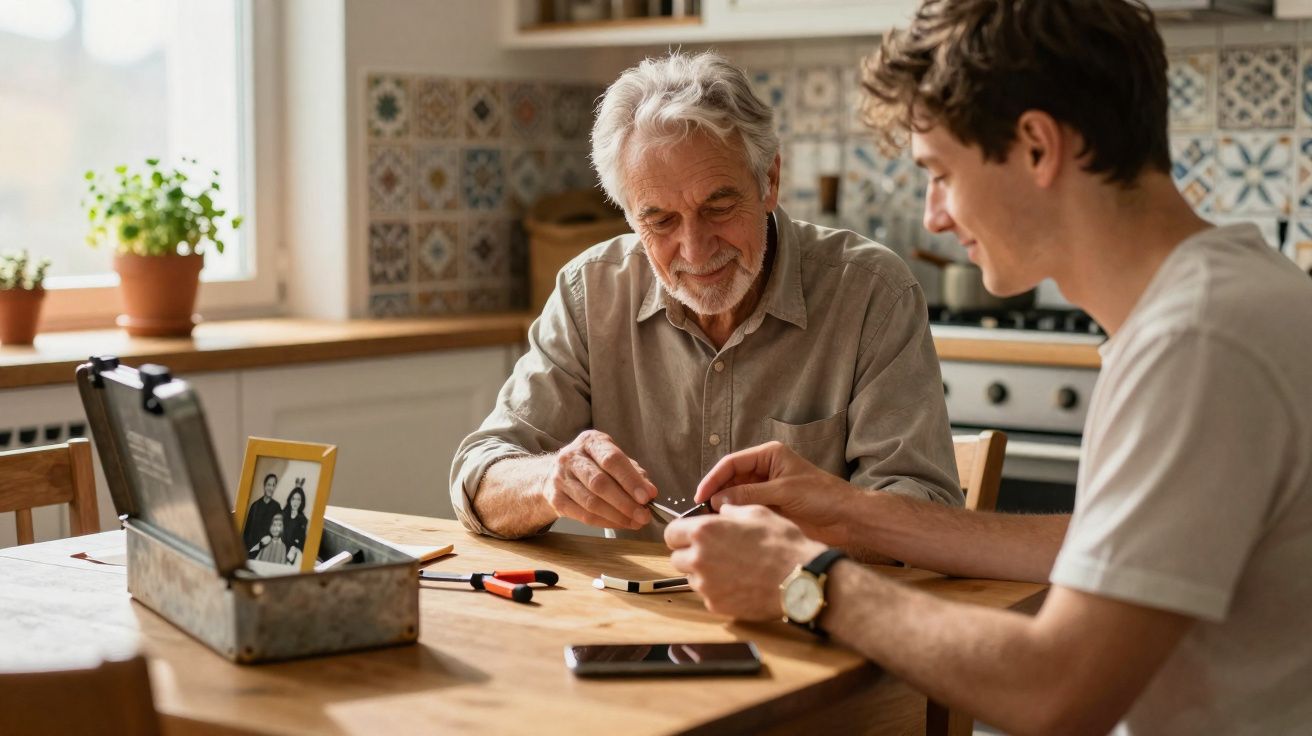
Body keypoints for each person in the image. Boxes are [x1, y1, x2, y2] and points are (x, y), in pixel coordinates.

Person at [665, 2, 1312, 734]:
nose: (934, 216)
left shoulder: (1197, 343)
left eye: (941, 173)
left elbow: (1057, 691)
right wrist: (848, 511)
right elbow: (1102, 549)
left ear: (1037, 147)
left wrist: (805, 579)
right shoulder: (1236, 294)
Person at [450, 50, 961, 543]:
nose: (695, 250)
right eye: (660, 220)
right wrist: (549, 481)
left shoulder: (872, 293)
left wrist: (807, 528)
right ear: (630, 217)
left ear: (769, 181)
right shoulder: (590, 294)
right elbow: (479, 478)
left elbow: (929, 513)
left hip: (812, 599)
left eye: (718, 208)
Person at [242, 473, 282, 554]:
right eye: (268, 484)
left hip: (267, 549)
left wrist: (269, 537)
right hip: (251, 548)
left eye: (273, 485)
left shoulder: (277, 507)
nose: (270, 488)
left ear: (275, 487)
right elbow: (247, 531)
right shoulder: (255, 505)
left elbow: (278, 530)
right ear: (264, 485)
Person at [281, 484, 309, 565]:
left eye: (298, 499)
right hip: (279, 548)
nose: (295, 502)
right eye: (293, 499)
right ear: (290, 500)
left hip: (292, 552)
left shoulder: (303, 520)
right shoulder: (282, 514)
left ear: (301, 502)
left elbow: (301, 540)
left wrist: (294, 548)